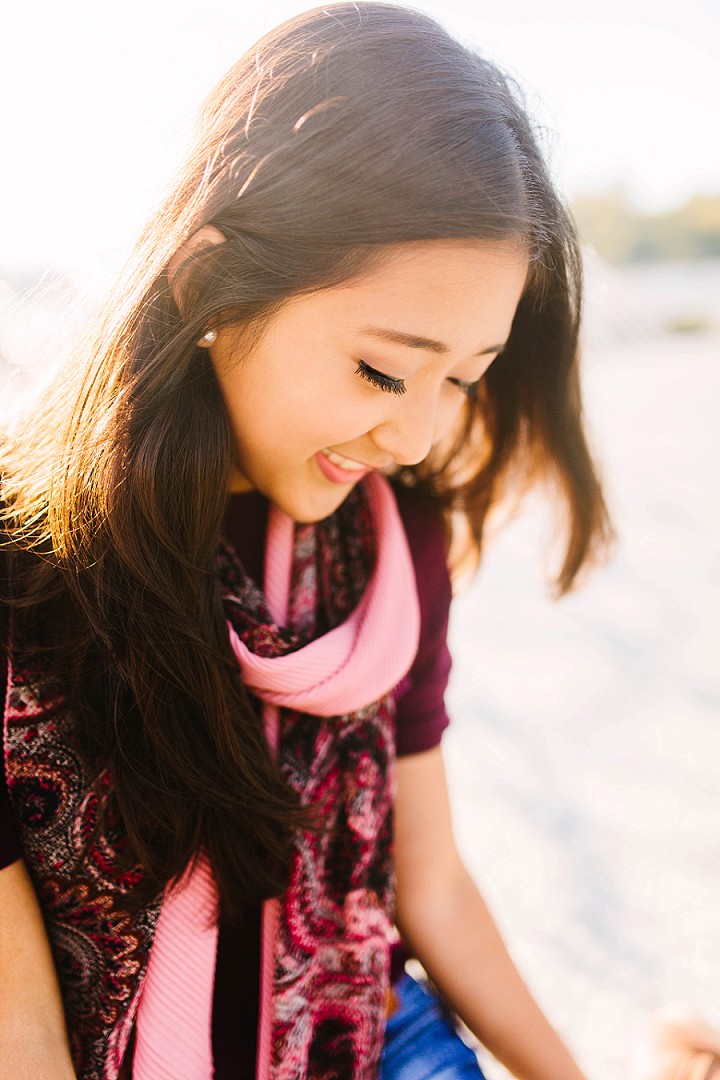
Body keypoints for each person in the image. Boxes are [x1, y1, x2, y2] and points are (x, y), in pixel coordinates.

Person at [0, 4, 614, 1078]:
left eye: (463, 377)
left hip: (373, 1039)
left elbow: (429, 889)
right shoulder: (24, 575)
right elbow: (21, 1026)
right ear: (207, 288)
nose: (417, 432)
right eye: (383, 369)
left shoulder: (396, 554)